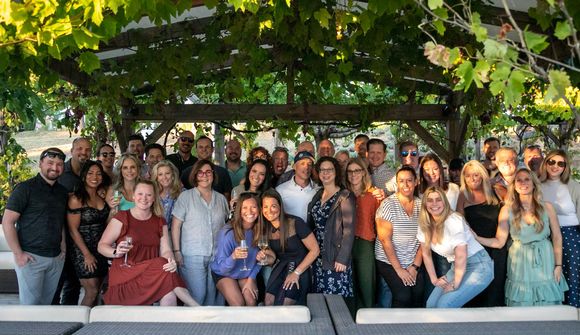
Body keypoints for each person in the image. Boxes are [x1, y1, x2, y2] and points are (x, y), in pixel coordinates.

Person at [474, 168, 568, 306]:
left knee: (547, 305)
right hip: (519, 263)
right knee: (521, 305)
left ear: (534, 183)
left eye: (527, 179)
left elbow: (557, 237)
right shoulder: (507, 209)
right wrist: (475, 237)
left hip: (544, 261)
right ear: (514, 185)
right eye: (519, 180)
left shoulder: (547, 207)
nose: (523, 183)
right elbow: (499, 242)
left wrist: (558, 265)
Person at [97, 180, 198, 306]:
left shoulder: (160, 221)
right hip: (125, 273)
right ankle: (196, 307)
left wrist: (171, 262)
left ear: (154, 198)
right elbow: (101, 246)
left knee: (169, 290)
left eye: (149, 195)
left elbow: (166, 250)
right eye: (140, 194)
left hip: (151, 274)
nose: (144, 198)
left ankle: (173, 322)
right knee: (162, 264)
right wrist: (116, 252)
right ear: (133, 196)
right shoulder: (122, 217)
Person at [2, 148, 68, 305]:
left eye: (59, 164)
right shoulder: (25, 189)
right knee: (30, 308)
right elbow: (7, 222)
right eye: (50, 163)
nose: (55, 167)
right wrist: (18, 254)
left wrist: (63, 246)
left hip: (56, 257)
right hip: (31, 257)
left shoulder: (62, 192)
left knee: (47, 306)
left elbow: (61, 221)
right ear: (40, 164)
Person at [418, 187, 493, 308]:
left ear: (444, 202)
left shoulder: (453, 220)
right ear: (425, 203)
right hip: (456, 267)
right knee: (431, 304)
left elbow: (461, 255)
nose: (434, 204)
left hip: (478, 265)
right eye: (430, 200)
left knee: (445, 305)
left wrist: (455, 284)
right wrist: (434, 280)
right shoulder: (425, 224)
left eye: (438, 199)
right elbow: (426, 254)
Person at [172, 160, 229, 305]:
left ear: (213, 175)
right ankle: (191, 326)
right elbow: (175, 226)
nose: (204, 175)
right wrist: (176, 251)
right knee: (197, 295)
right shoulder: (185, 197)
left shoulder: (221, 199)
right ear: (195, 175)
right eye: (200, 172)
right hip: (192, 255)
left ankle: (210, 327)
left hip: (216, 256)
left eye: (208, 172)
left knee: (213, 297)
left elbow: (226, 225)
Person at [456, 160, 505, 306]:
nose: (472, 178)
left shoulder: (497, 190)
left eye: (476, 174)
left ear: (482, 175)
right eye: (468, 175)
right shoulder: (463, 195)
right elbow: (460, 223)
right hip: (475, 250)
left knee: (495, 292)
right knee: (475, 291)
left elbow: (515, 209)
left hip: (496, 248)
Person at [259, 189, 319, 305]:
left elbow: (315, 250)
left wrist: (296, 273)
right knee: (268, 301)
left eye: (273, 206)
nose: (269, 211)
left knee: (286, 302)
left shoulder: (295, 222)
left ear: (280, 207)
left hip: (301, 267)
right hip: (281, 267)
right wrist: (265, 258)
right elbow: (273, 259)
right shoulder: (265, 229)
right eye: (265, 207)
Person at [375, 166, 424, 308]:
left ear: (416, 182)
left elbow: (424, 239)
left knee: (418, 292)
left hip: (412, 260)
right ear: (397, 183)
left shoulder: (421, 205)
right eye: (401, 181)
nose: (406, 185)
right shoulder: (388, 205)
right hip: (389, 261)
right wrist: (399, 270)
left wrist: (415, 266)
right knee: (403, 295)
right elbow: (385, 240)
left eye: (409, 180)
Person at [308, 157, 356, 299]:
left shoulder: (345, 196)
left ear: (336, 172)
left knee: (335, 302)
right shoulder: (318, 194)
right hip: (318, 255)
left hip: (336, 256)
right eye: (322, 170)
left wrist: (342, 258)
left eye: (329, 169)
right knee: (320, 300)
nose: (325, 173)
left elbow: (349, 229)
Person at [67, 161, 111, 306]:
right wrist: (87, 254)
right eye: (91, 173)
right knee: (91, 291)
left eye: (98, 173)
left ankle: (95, 324)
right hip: (82, 250)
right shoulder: (76, 199)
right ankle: (81, 323)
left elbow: (106, 223)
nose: (95, 177)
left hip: (101, 249)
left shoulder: (102, 197)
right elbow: (73, 229)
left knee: (99, 289)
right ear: (84, 175)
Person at [539, 150, 580, 307]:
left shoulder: (574, 186)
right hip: (546, 236)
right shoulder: (537, 186)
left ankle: (573, 313)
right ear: (546, 163)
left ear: (565, 167)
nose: (555, 166)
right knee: (550, 276)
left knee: (572, 276)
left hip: (571, 236)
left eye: (560, 163)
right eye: (551, 162)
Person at [56, 137, 91, 305]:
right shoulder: (61, 172)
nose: (83, 152)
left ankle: (69, 318)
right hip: (62, 235)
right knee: (60, 282)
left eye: (87, 150)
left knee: (74, 283)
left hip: (84, 235)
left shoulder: (91, 171)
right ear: (72, 150)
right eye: (80, 148)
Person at [210, 192, 262, 306]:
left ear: (259, 210)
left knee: (251, 301)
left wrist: (252, 278)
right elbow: (223, 268)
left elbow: (261, 259)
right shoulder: (228, 233)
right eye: (245, 208)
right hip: (224, 272)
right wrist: (233, 257)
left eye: (253, 207)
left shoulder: (260, 230)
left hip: (245, 272)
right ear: (239, 210)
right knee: (238, 305)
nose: (249, 212)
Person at [345, 158, 380, 309]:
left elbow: (380, 224)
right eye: (350, 171)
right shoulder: (343, 194)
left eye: (357, 170)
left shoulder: (374, 195)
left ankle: (368, 320)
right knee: (349, 284)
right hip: (346, 244)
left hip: (366, 243)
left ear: (363, 173)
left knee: (367, 284)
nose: (353, 174)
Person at [276, 151, 319, 222]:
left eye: (310, 164)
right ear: (294, 167)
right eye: (302, 163)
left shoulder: (318, 190)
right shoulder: (280, 190)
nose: (307, 167)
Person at [151, 160, 182, 230]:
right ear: (156, 177)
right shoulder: (151, 193)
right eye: (160, 174)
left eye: (167, 173)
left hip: (176, 235)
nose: (164, 177)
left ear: (173, 175)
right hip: (155, 235)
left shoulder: (182, 193)